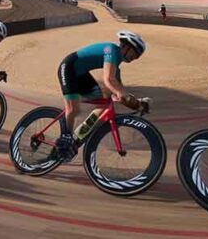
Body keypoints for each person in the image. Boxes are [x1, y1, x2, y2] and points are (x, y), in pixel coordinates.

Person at [54, 30, 148, 162]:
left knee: (104, 105)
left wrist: (137, 104)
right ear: (126, 46)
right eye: (136, 52)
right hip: (68, 68)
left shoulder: (116, 65)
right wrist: (123, 94)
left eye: (139, 55)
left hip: (81, 75)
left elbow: (119, 94)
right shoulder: (112, 50)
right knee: (74, 109)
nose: (136, 57)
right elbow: (108, 80)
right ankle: (65, 139)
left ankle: (77, 137)